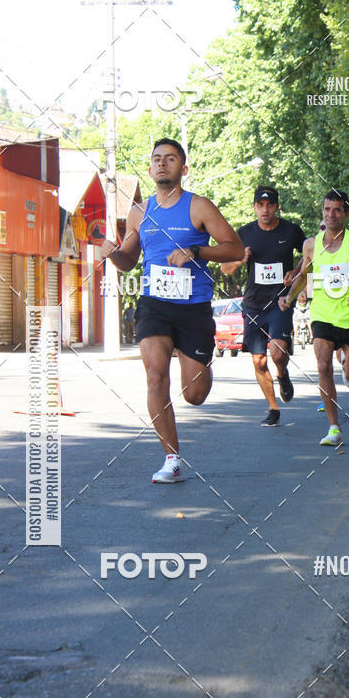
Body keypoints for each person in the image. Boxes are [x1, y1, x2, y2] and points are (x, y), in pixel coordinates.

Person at [95, 138, 244, 483]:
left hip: (193, 308)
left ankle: (201, 363)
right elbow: (129, 260)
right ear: (150, 168)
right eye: (157, 159)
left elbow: (234, 248)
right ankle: (172, 458)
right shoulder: (140, 211)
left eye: (171, 159)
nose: (162, 164)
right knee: (155, 376)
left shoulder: (199, 207)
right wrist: (112, 253)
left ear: (183, 169)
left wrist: (198, 251)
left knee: (194, 394)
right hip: (155, 305)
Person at [280, 190, 349, 445]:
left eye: (337, 209)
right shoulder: (311, 244)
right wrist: (290, 296)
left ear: (346, 213)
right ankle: (334, 428)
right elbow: (304, 275)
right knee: (322, 366)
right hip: (323, 315)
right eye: (327, 209)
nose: (331, 214)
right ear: (322, 212)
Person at [221, 186, 305, 426]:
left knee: (278, 352)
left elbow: (309, 255)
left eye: (270, 205)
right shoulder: (244, 234)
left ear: (277, 207)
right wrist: (239, 259)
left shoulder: (290, 231)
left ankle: (282, 373)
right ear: (255, 207)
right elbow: (224, 268)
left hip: (280, 301)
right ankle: (272, 407)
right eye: (261, 204)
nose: (265, 209)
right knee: (258, 360)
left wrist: (296, 271)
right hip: (253, 304)